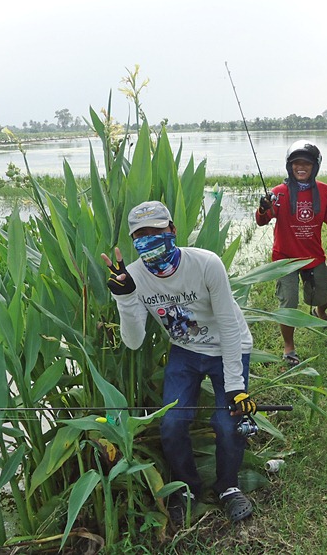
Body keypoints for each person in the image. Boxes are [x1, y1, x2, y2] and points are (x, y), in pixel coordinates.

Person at [101, 200, 257, 525]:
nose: (150, 241)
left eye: (156, 232)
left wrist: (236, 387)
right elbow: (134, 341)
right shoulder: (133, 276)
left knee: (227, 422)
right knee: (171, 422)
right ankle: (186, 487)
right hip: (184, 350)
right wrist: (126, 298)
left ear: (172, 230)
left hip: (229, 346)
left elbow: (228, 324)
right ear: (133, 242)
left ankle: (228, 487)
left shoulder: (205, 264)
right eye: (141, 236)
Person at [255, 140, 327, 364]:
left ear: (315, 166)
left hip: (313, 256)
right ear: (290, 166)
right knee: (289, 304)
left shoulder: (325, 192)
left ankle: (320, 312)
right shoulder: (278, 193)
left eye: (306, 163)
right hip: (285, 259)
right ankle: (289, 347)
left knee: (323, 296)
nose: (301, 167)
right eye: (296, 163)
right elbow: (261, 221)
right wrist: (263, 208)